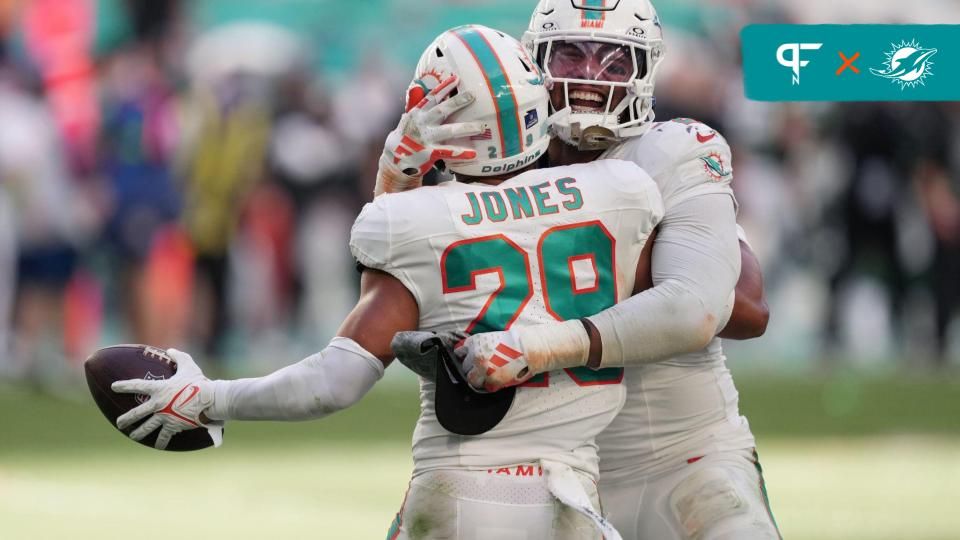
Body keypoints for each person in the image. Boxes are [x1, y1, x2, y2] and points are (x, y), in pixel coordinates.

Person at [112, 25, 664, 539]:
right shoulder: (623, 189)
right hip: (572, 498)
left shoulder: (406, 219)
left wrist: (209, 399)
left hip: (458, 489)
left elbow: (337, 380)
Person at [380, 2, 779, 539]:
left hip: (687, 453)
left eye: (614, 62)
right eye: (570, 54)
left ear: (645, 70)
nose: (590, 77)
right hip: (546, 468)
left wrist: (592, 258)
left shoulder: (670, 153)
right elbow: (397, 276)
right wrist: (397, 176)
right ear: (534, 61)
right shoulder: (496, 159)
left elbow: (745, 308)